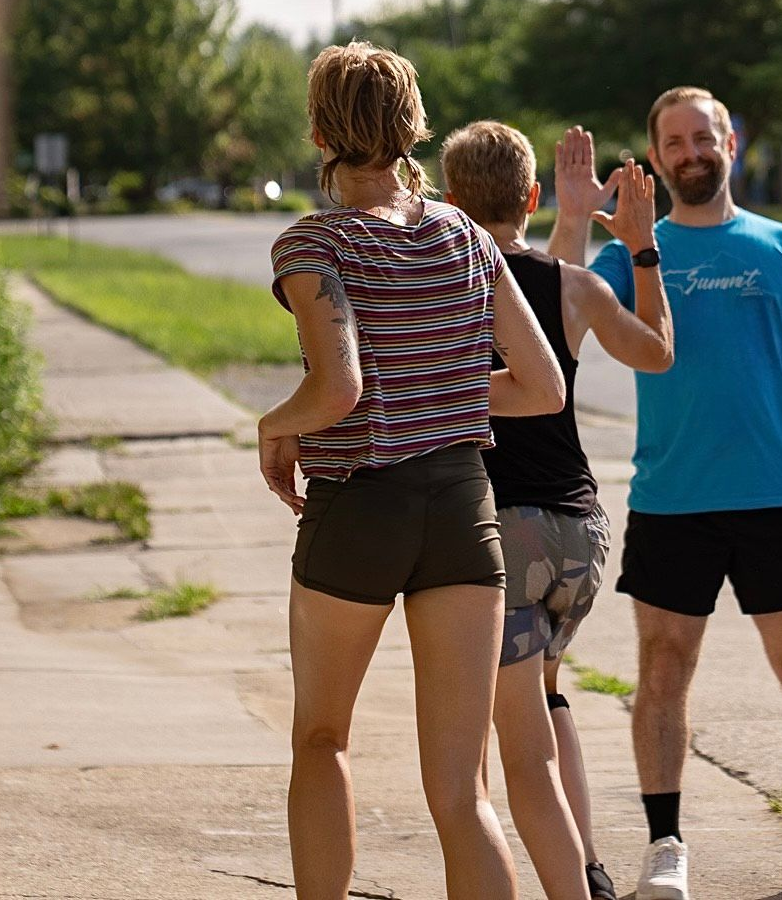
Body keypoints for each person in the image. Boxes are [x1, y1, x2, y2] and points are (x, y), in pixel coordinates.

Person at [257, 43, 566, 900]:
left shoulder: (313, 244)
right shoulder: (467, 233)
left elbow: (338, 388)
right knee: (462, 793)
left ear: (320, 132)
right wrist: (444, 390)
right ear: (412, 130)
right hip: (466, 509)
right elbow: (541, 388)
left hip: (362, 508)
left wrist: (273, 425)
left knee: (323, 739)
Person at [548, 89, 782, 900]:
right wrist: (584, 219)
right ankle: (666, 847)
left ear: (731, 141)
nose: (691, 152)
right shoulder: (632, 253)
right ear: (655, 159)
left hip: (774, 495)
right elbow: (558, 314)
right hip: (671, 499)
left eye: (703, 137)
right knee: (662, 670)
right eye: (674, 142)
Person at [439, 121, 673, 900]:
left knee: (511, 743)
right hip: (578, 533)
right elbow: (657, 351)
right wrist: (642, 248)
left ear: (449, 202)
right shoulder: (574, 285)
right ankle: (595, 870)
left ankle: (565, 887)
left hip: (498, 533)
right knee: (546, 693)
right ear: (531, 197)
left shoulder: (449, 283)